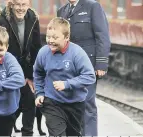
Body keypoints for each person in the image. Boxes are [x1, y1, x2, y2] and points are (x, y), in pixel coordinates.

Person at [34, 17, 96, 136]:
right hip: (52, 102)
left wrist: (67, 84)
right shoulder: (43, 52)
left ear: (66, 38)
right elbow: (38, 73)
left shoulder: (77, 53)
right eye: (48, 37)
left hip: (75, 104)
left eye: (55, 37)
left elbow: (89, 76)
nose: (50, 40)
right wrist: (40, 93)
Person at [57, 0, 111, 135]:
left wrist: (101, 63)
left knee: (87, 104)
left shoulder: (93, 6)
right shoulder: (62, 11)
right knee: (69, 104)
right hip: (67, 65)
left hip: (88, 66)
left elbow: (102, 36)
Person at [0, 0, 42, 135]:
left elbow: (36, 49)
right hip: (8, 67)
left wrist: (30, 76)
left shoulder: (33, 18)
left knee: (30, 99)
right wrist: (15, 75)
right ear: (11, 5)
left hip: (26, 67)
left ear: (28, 5)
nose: (21, 8)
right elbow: (2, 50)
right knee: (10, 107)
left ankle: (27, 133)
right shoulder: (2, 20)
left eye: (24, 5)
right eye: (18, 4)